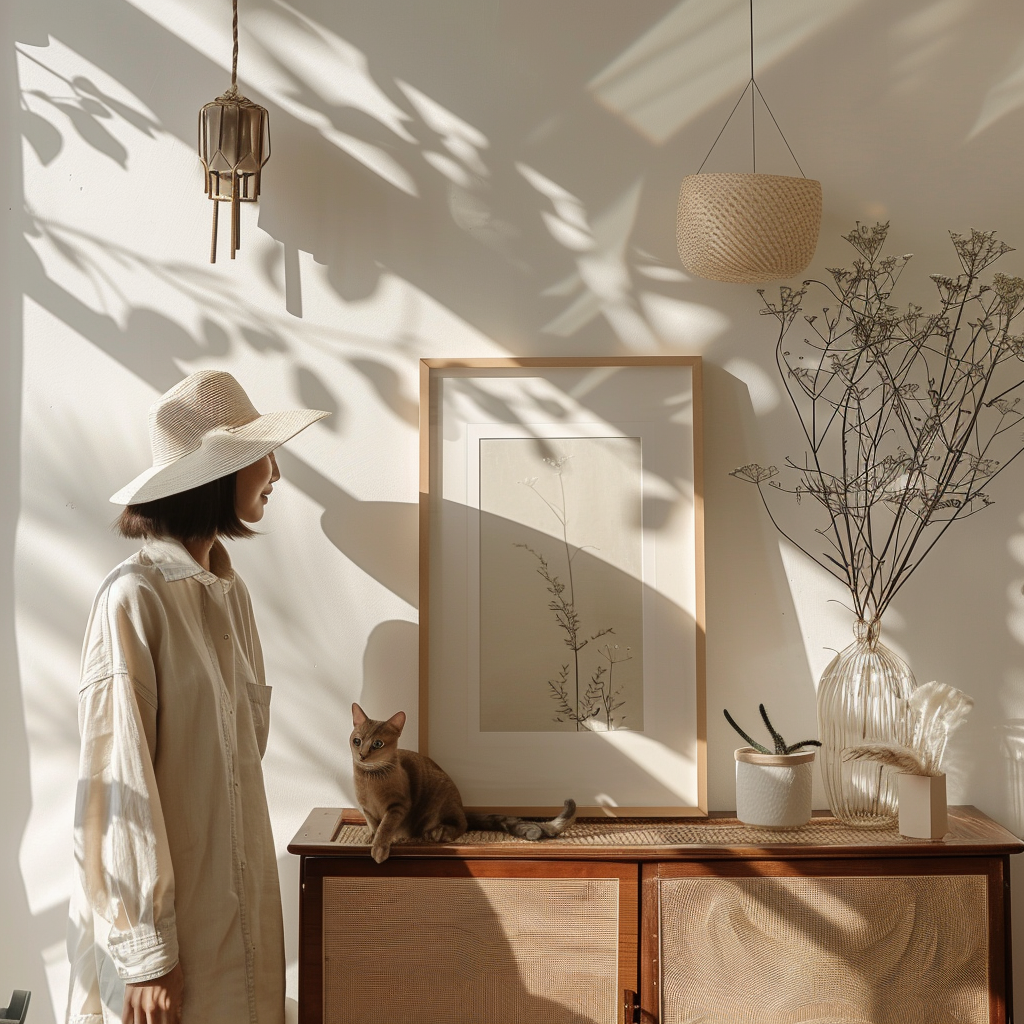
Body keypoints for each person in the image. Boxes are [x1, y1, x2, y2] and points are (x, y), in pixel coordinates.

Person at [65, 371, 328, 1024]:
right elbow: (113, 783)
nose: (276, 472)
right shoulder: (134, 599)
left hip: (238, 932)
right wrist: (146, 954)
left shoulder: (230, 597)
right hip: (164, 962)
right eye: (261, 456)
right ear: (219, 473)